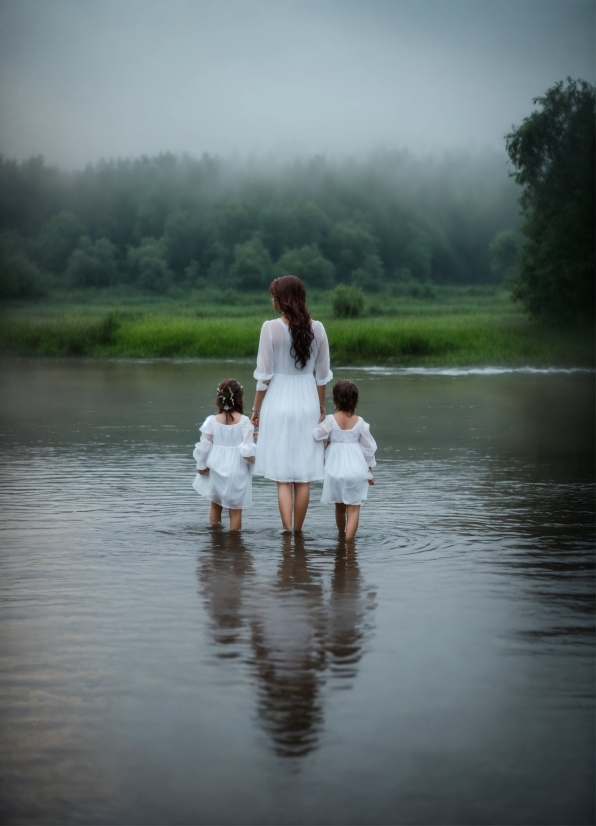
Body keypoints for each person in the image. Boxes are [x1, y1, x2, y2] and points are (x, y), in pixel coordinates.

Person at [250, 275, 333, 532]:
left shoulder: (270, 328)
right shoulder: (317, 328)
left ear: (282, 299)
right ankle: (298, 531)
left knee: (283, 478)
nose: (272, 300)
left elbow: (264, 376)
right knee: (304, 476)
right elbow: (322, 376)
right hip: (307, 400)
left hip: (277, 402)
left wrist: (255, 409)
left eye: (274, 295)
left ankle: (287, 531)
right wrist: (321, 407)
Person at [313, 379, 377, 541]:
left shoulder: (330, 420)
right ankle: (349, 545)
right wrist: (369, 471)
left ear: (335, 400)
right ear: (355, 400)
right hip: (356, 470)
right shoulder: (360, 423)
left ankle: (341, 538)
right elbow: (368, 449)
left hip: (335, 471)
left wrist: (317, 420)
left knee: (339, 507)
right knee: (354, 510)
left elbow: (316, 435)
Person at [193, 378, 256, 531]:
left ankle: (216, 540)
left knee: (215, 505)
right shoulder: (245, 421)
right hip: (237, 469)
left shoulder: (211, 421)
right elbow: (247, 450)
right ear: (239, 398)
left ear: (219, 399)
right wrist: (256, 460)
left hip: (215, 465)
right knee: (235, 511)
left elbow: (204, 445)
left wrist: (201, 465)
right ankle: (235, 544)